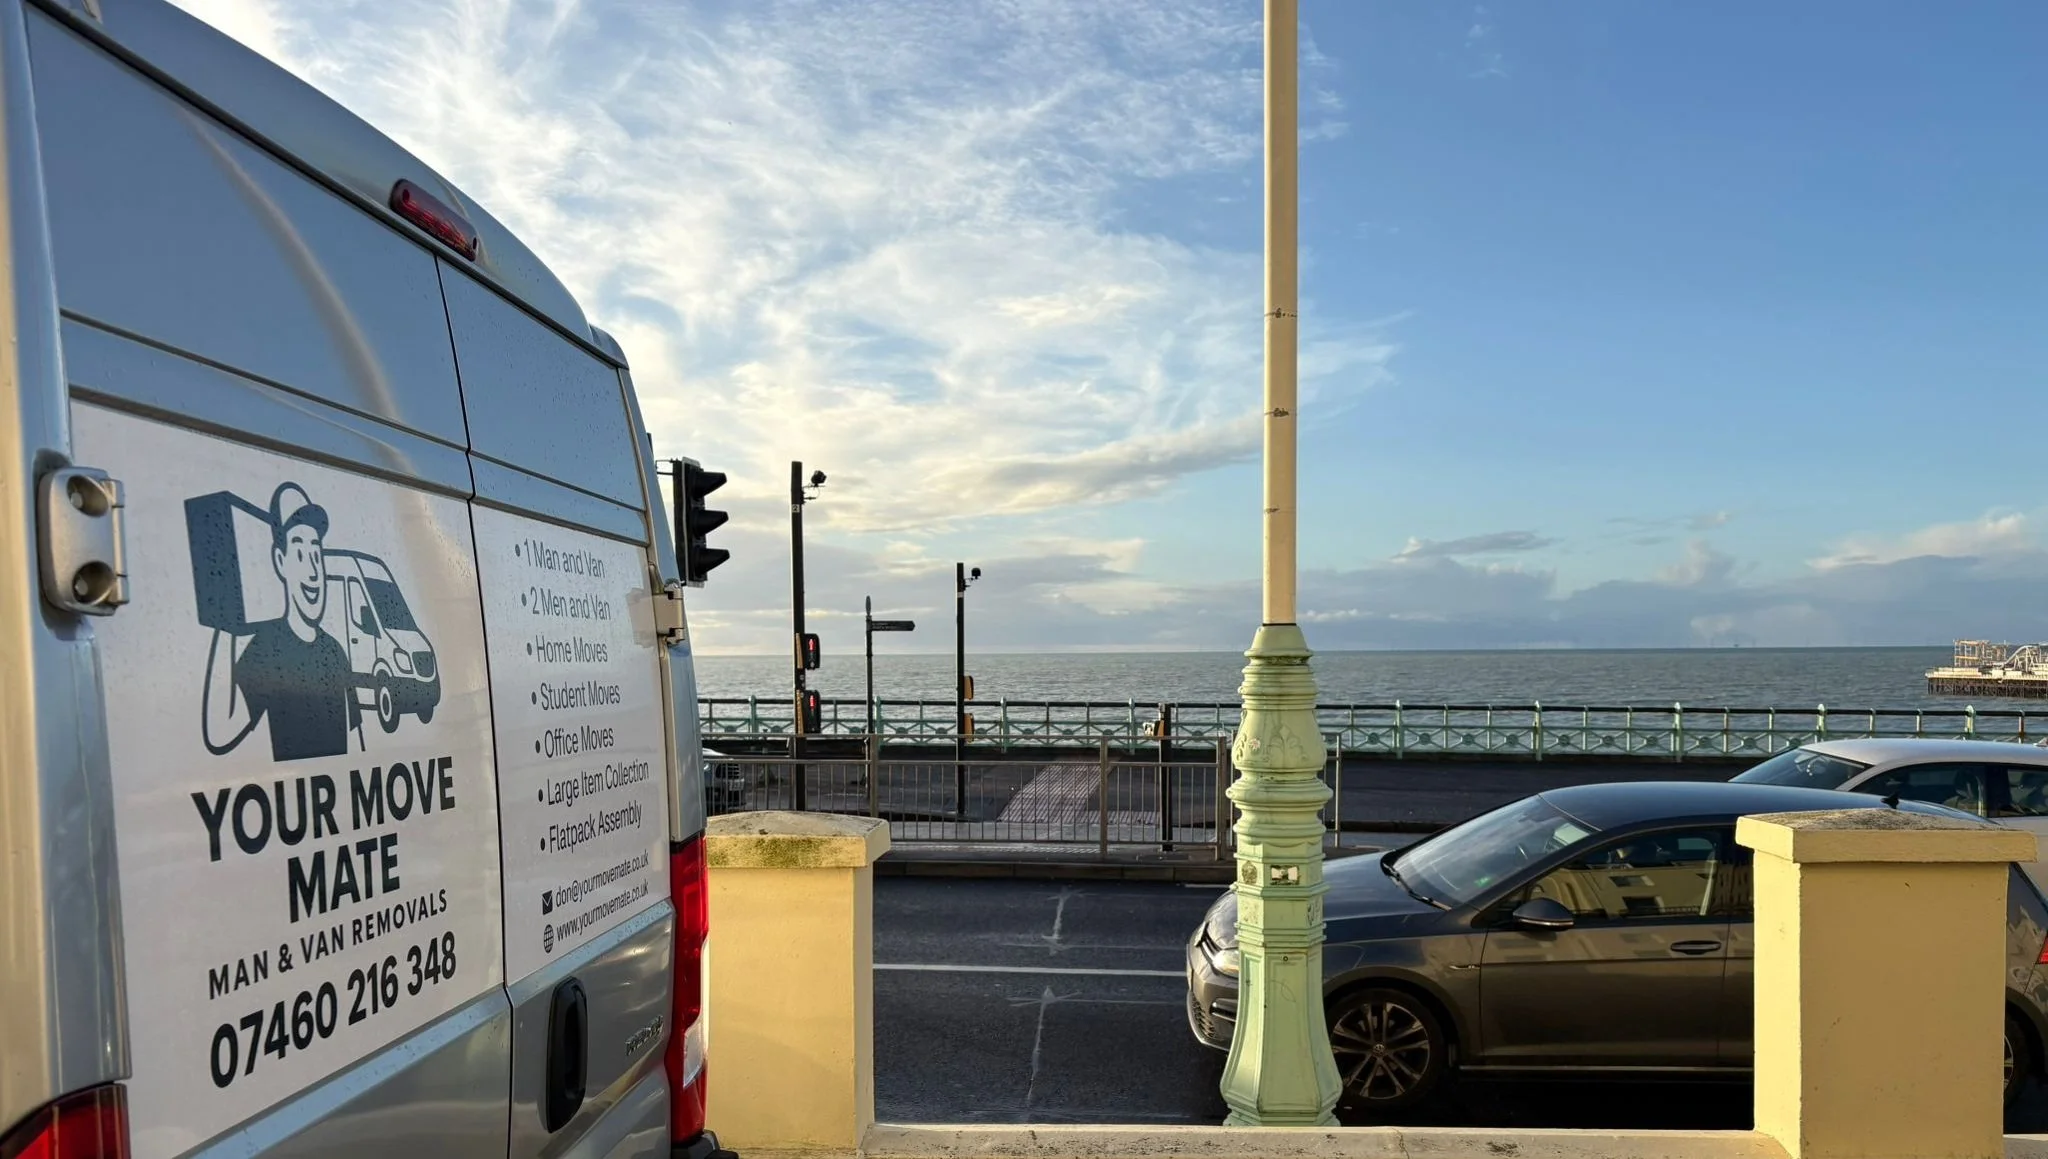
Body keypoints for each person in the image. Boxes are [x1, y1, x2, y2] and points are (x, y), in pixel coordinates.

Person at [203, 483, 360, 761]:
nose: (313, 571)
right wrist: (226, 617)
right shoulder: (268, 646)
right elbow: (221, 732)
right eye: (300, 553)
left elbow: (359, 740)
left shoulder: (335, 651)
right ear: (280, 561)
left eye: (316, 555)